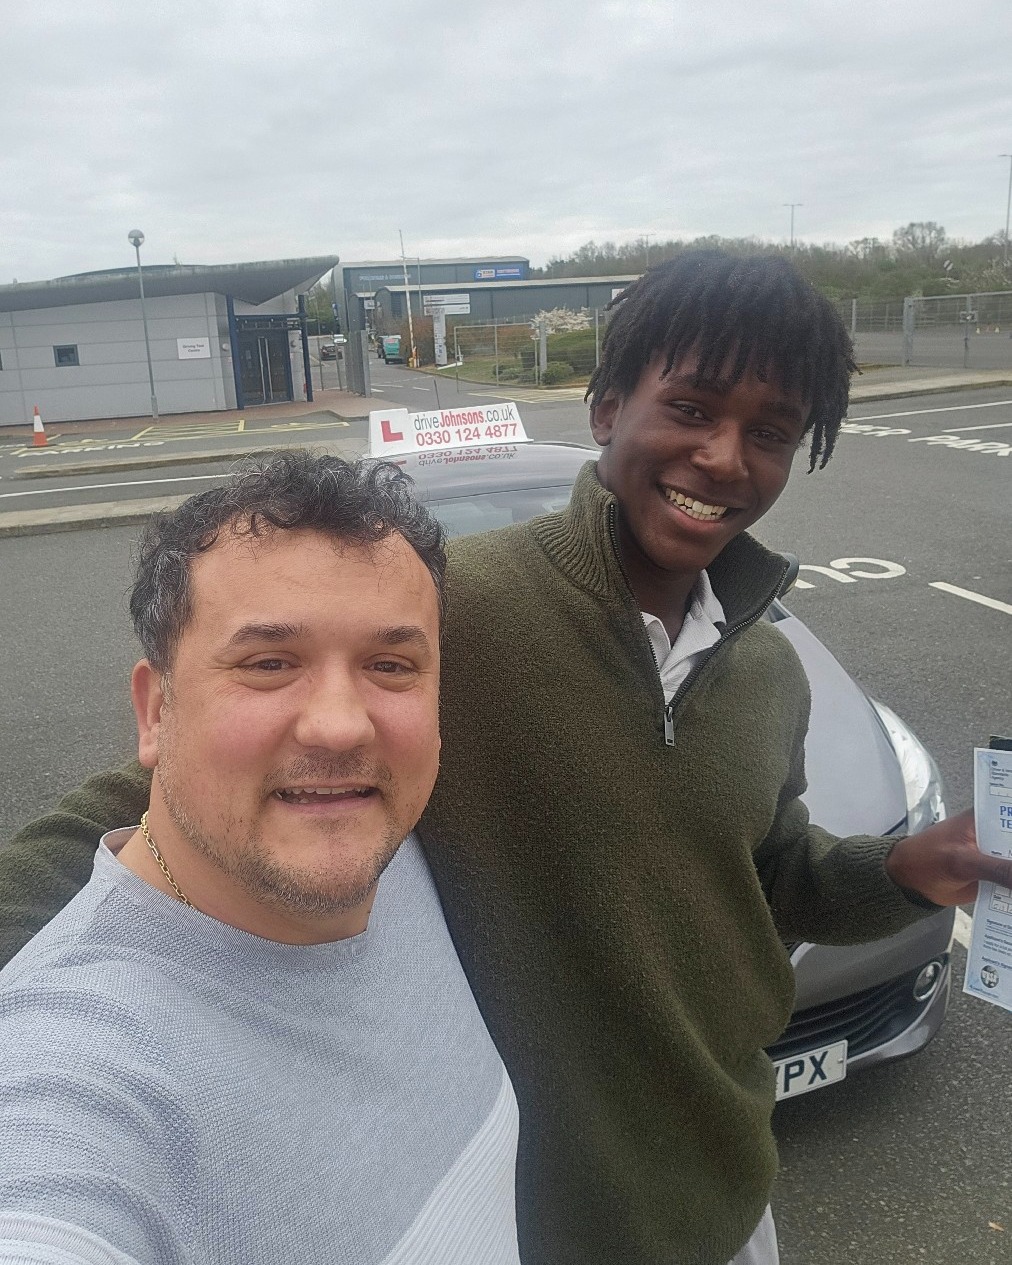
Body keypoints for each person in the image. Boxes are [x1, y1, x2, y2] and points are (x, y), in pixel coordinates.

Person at [2, 252, 1009, 1265]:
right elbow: (168, 793)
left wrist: (906, 871)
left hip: (729, 1185)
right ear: (608, 408)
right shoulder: (452, 618)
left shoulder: (767, 673)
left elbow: (770, 872)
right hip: (535, 1216)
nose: (722, 457)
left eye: (770, 432)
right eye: (693, 408)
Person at [0, 453, 520, 1265]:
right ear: (155, 710)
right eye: (270, 663)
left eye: (391, 665)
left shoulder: (403, 852)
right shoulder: (70, 1081)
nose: (342, 726)